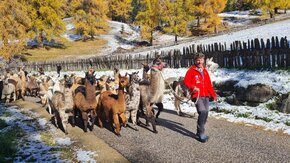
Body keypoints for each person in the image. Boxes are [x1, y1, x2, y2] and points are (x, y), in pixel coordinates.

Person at [183, 52, 217, 143]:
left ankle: (199, 132)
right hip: (196, 95)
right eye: (197, 60)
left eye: (201, 60)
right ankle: (201, 133)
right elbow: (186, 81)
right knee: (202, 111)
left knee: (205, 113)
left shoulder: (205, 71)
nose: (199, 61)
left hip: (205, 95)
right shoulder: (191, 70)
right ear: (195, 60)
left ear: (203, 60)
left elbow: (209, 84)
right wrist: (193, 87)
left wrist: (213, 94)